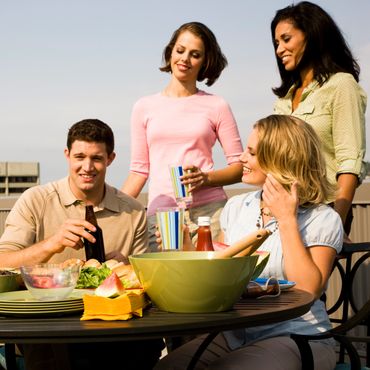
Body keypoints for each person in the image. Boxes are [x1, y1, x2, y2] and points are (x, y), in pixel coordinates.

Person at [155, 114, 343, 370]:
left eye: (252, 153)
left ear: (280, 158)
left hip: (299, 334)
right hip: (236, 333)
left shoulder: (321, 218)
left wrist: (287, 219)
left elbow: (309, 290)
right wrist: (186, 250)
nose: (241, 158)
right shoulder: (236, 207)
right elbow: (219, 275)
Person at [0, 119, 164, 370]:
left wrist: (126, 265)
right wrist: (51, 244)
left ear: (110, 158)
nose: (87, 167)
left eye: (97, 158)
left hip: (114, 325)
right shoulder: (36, 199)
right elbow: (3, 260)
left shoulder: (132, 210)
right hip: (48, 323)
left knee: (146, 345)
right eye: (79, 156)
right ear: (67, 155)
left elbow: (148, 282)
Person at [121, 21, 243, 249]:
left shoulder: (217, 105)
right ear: (170, 53)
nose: (185, 59)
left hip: (210, 214)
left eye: (195, 54)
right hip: (163, 215)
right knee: (165, 283)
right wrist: (111, 208)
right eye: (180, 50)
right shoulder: (143, 107)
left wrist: (205, 178)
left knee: (210, 282)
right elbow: (139, 171)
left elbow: (240, 167)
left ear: (205, 62)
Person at [271, 1, 367, 238]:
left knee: (308, 277)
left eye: (286, 39)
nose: (279, 49)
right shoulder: (284, 98)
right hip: (283, 212)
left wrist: (337, 221)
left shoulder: (341, 85)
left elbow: (349, 161)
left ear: (311, 36)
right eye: (276, 43)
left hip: (325, 209)